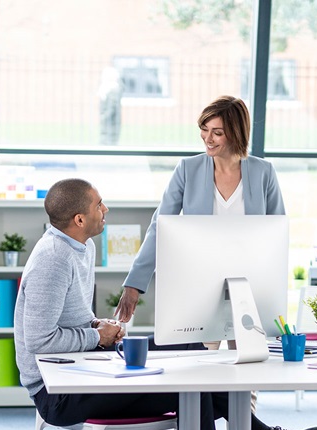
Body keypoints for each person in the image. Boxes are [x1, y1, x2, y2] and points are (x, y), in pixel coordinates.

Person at [15, 178, 317, 430]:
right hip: (59, 392)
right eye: (98, 205)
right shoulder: (53, 258)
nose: (105, 209)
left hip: (86, 365)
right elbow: (41, 341)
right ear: (79, 219)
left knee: (190, 348)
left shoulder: (81, 246)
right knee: (193, 386)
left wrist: (98, 325)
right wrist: (98, 337)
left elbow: (69, 318)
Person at [115, 95, 284, 345]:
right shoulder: (187, 169)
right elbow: (159, 227)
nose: (208, 138)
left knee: (249, 361)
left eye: (217, 132)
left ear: (236, 133)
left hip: (247, 286)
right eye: (204, 130)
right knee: (205, 362)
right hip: (201, 285)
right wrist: (134, 285)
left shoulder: (263, 173)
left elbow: (277, 234)